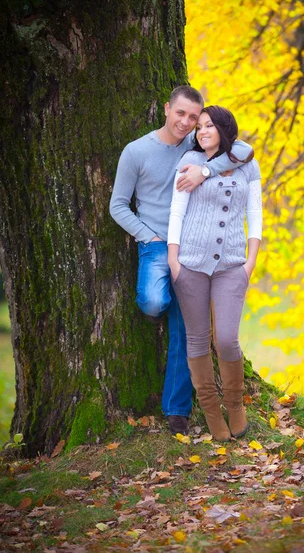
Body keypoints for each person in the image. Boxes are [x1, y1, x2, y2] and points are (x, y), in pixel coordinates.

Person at [109, 86, 254, 436]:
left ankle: (177, 412)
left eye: (194, 117)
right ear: (166, 109)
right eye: (181, 114)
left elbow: (244, 150)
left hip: (195, 253)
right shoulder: (137, 151)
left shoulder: (196, 148)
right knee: (155, 301)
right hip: (158, 243)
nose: (187, 122)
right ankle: (164, 307)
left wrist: (204, 171)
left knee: (187, 333)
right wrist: (149, 236)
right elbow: (117, 205)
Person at [168, 105, 262, 441]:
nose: (201, 131)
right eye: (199, 127)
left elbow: (256, 214)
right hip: (189, 265)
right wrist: (174, 260)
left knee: (225, 338)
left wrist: (250, 262)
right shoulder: (188, 163)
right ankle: (211, 411)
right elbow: (176, 213)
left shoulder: (246, 163)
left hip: (232, 266)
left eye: (209, 126)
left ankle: (235, 406)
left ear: (224, 128)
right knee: (197, 339)